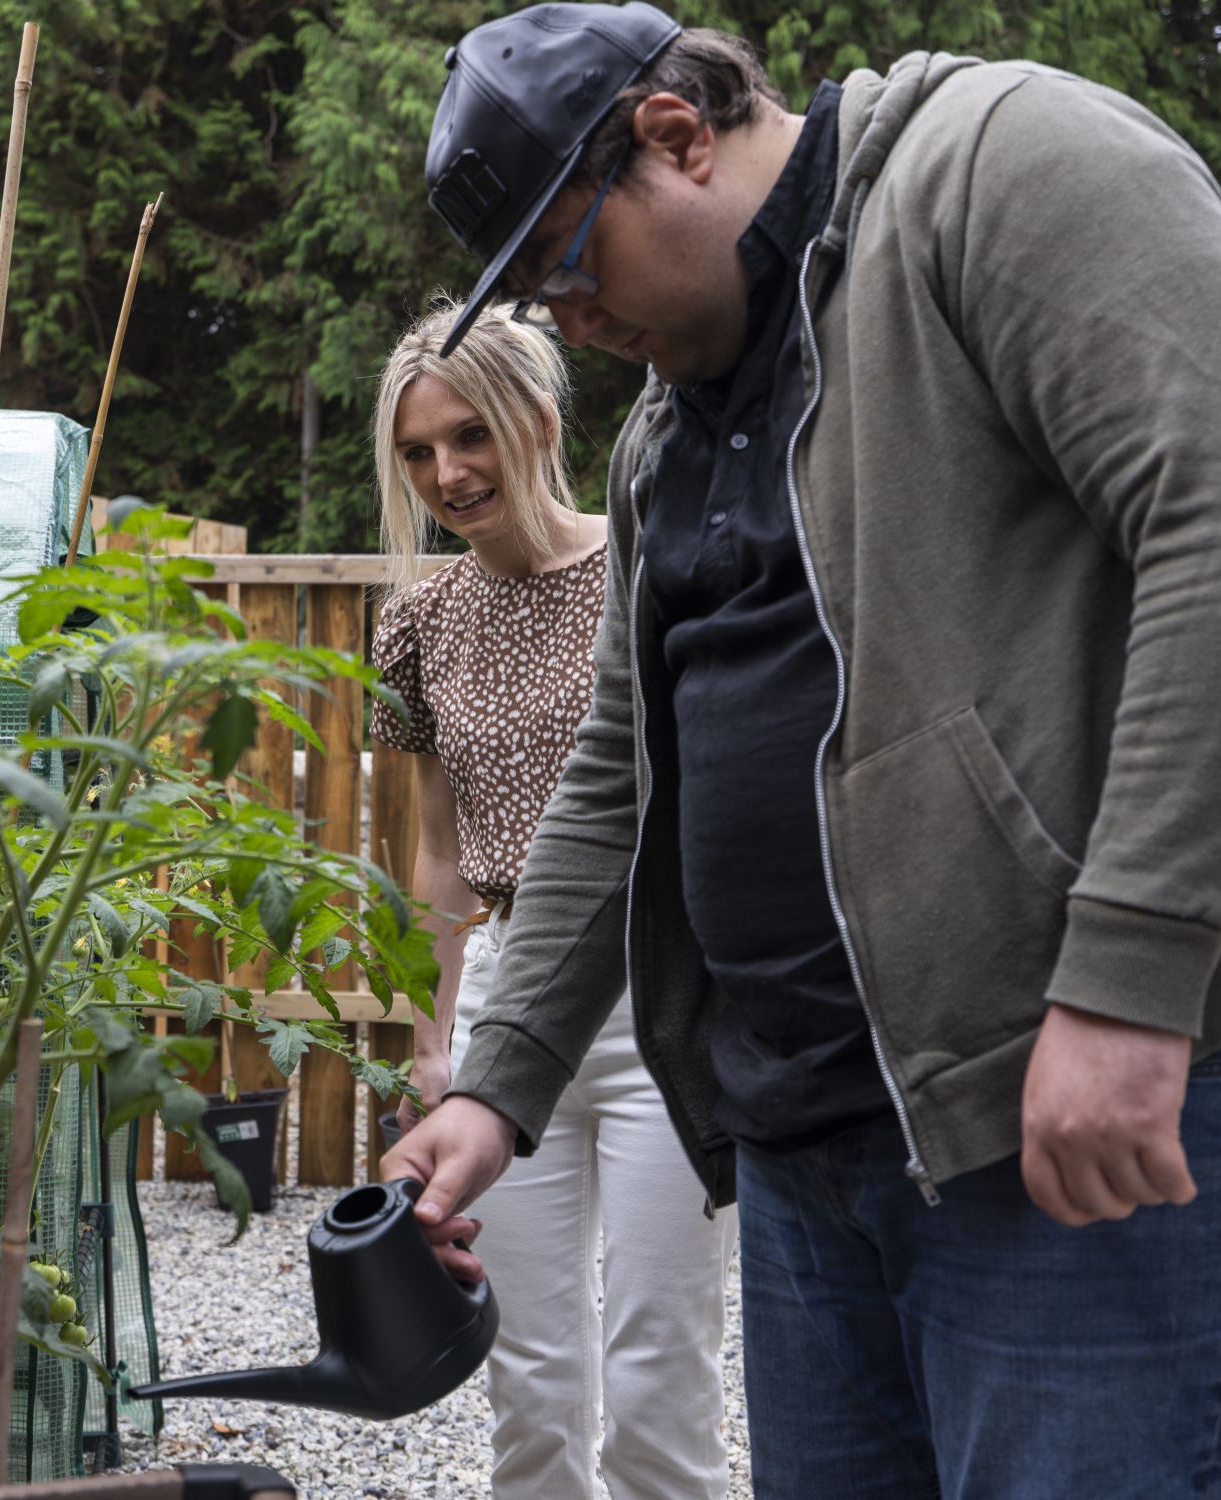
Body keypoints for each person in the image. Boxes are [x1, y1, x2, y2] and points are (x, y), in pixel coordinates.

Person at [379, 4, 1221, 1496]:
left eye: (568, 267)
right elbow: (622, 776)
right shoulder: (668, 434)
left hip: (1056, 1124)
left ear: (675, 135)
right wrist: (493, 1084)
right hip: (803, 1156)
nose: (566, 322)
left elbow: (1209, 529)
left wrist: (1129, 984)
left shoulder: (998, 172)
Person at [369, 299, 736, 1499]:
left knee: (656, 1373)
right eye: (419, 453)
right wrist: (435, 1041)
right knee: (527, 1378)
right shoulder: (418, 621)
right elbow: (435, 858)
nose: (447, 473)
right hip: (508, 1023)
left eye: (468, 436)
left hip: (658, 1004)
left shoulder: (647, 570)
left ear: (536, 419)